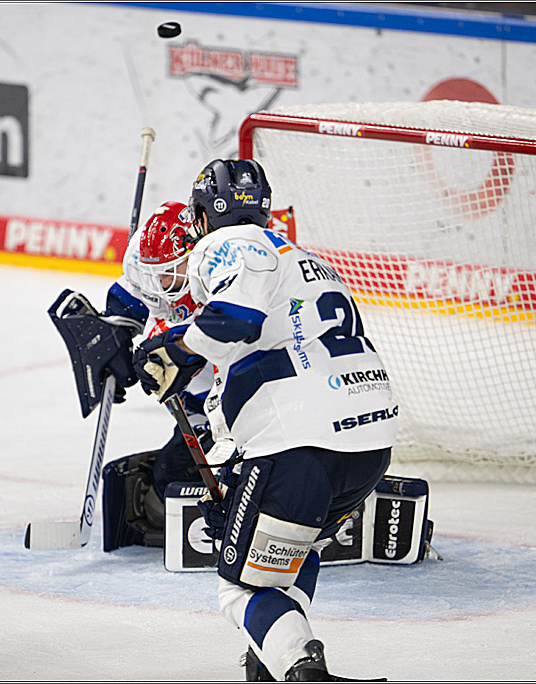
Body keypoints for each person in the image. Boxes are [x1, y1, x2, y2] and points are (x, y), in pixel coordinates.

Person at [133, 159, 396, 681]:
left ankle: (300, 667)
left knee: (238, 589)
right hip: (369, 440)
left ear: (206, 213)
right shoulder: (305, 258)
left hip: (300, 441)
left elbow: (236, 317)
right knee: (297, 553)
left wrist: (175, 349)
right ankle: (272, 655)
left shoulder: (226, 244)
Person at [51, 201, 211, 547]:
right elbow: (129, 296)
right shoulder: (154, 269)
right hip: (199, 408)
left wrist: (175, 352)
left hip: (240, 410)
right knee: (167, 481)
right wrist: (113, 336)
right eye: (155, 273)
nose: (162, 283)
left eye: (170, 271)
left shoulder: (220, 279)